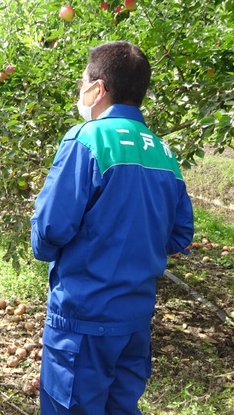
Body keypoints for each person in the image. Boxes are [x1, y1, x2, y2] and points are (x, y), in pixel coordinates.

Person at [30, 41, 195, 415]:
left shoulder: (86, 139)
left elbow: (51, 230)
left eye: (83, 82)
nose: (81, 90)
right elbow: (181, 233)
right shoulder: (163, 152)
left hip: (83, 317)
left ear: (98, 88)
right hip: (134, 317)